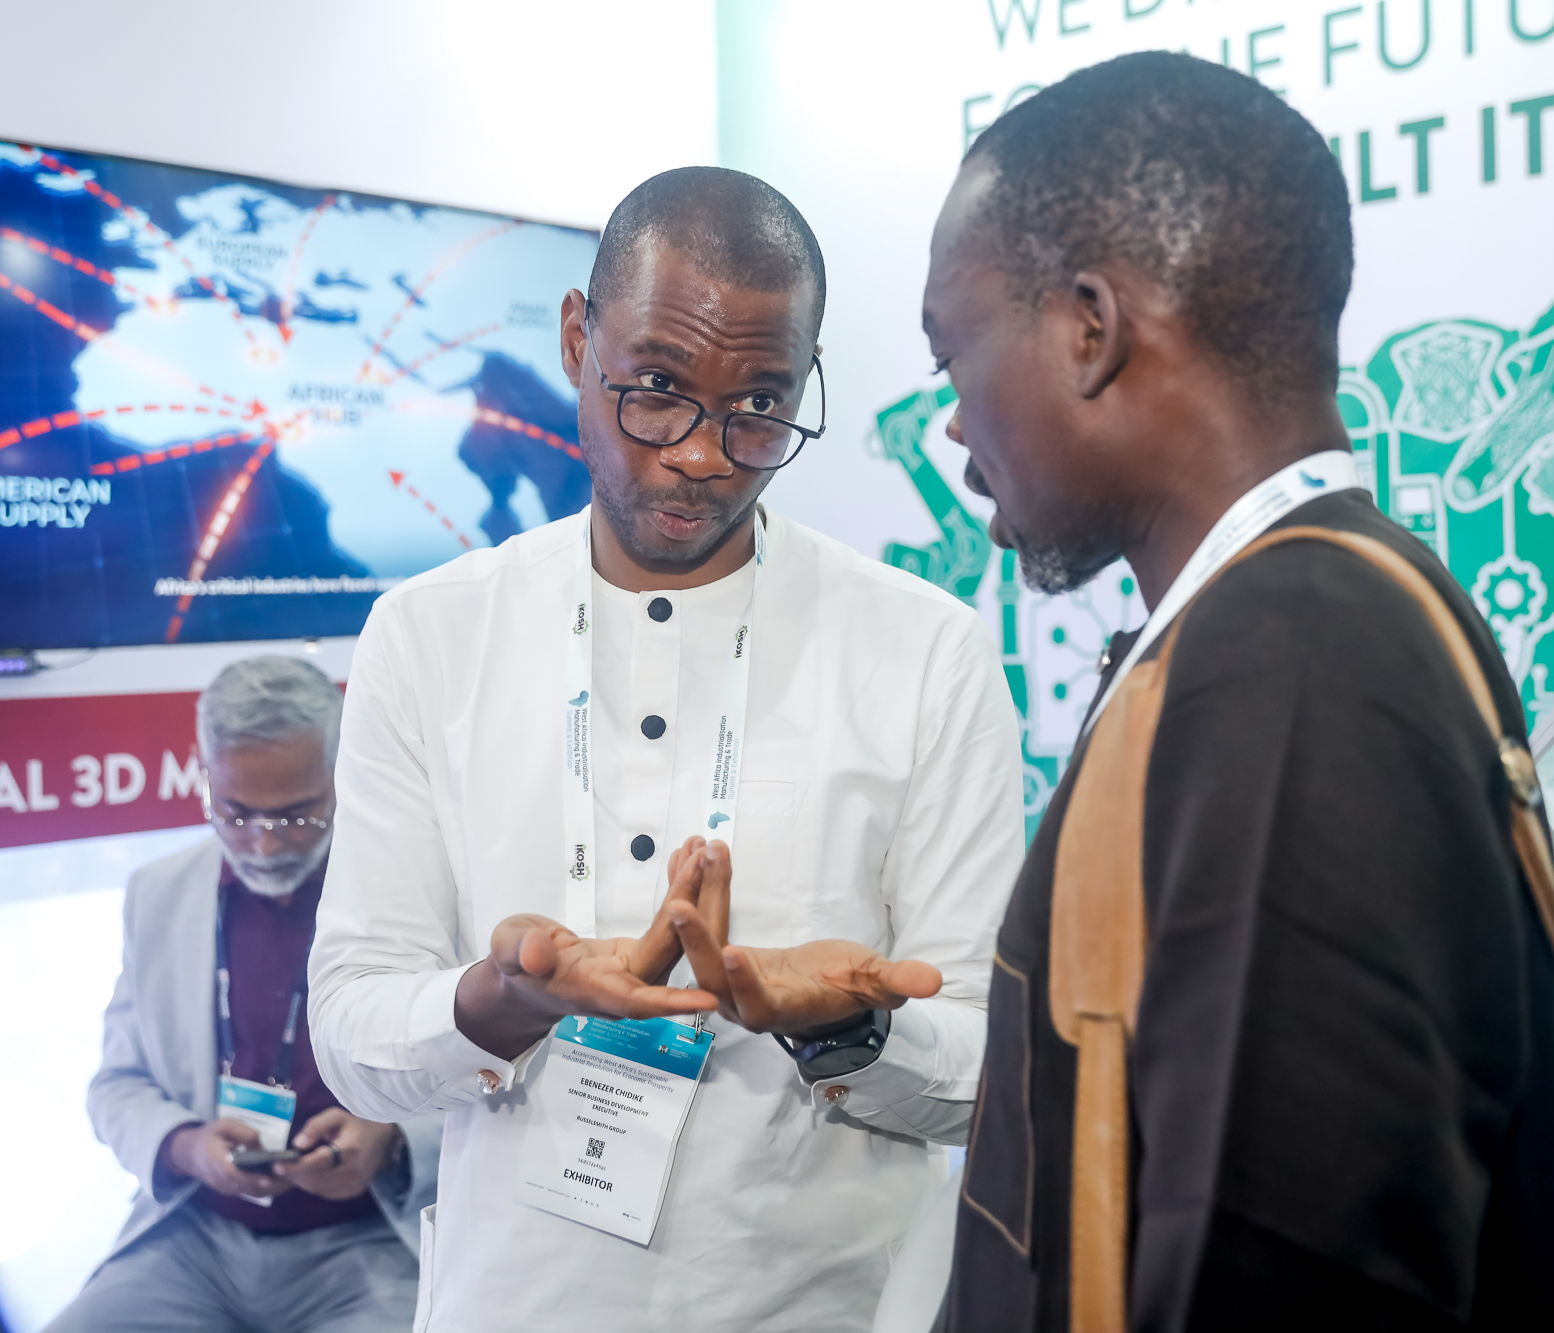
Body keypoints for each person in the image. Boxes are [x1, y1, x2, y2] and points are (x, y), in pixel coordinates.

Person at [926, 53, 1554, 1332]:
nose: (952, 421)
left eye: (949, 355)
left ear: (1088, 329)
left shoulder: (1297, 660)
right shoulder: (1277, 624)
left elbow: (1284, 1269)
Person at [308, 166, 1023, 1332]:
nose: (702, 454)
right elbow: (350, 1033)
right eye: (655, 389)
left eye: (759, 405)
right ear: (575, 339)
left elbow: (991, 1066)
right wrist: (503, 997)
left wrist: (843, 1024)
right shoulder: (430, 632)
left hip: (825, 1308)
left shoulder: (923, 649)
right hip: (514, 1302)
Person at [49, 656, 441, 1333]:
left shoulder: (421, 890)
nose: (262, 844)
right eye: (234, 812)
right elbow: (116, 1085)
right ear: (204, 775)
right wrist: (187, 1147)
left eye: (295, 816)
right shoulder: (159, 894)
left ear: (343, 776)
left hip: (374, 1238)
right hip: (195, 1240)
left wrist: (391, 1139)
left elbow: (496, 1080)